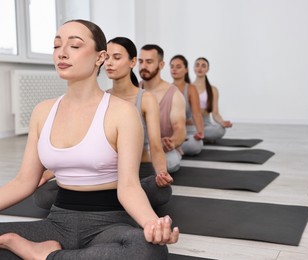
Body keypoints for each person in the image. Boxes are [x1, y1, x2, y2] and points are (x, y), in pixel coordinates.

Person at [0, 20, 178, 260]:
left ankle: (44, 256)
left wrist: (152, 225)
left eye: (74, 46)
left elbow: (129, 187)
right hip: (57, 221)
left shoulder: (122, 112)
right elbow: (24, 181)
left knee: (147, 250)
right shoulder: (43, 111)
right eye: (56, 45)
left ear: (99, 57)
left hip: (108, 224)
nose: (62, 52)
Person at [34, 37, 173, 210]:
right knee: (42, 196)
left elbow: (156, 146)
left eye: (116, 57)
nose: (109, 63)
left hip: (137, 173)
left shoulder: (146, 99)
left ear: (132, 62)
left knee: (161, 192)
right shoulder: (99, 99)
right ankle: (112, 203)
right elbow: (81, 148)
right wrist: (47, 174)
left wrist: (161, 172)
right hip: (99, 175)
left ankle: (114, 200)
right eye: (106, 58)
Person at [138, 44, 186, 173]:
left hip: (163, 151)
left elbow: (180, 129)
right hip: (136, 150)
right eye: (140, 61)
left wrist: (172, 142)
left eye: (149, 62)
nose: (143, 66)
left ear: (161, 65)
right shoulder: (133, 90)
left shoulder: (175, 94)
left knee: (168, 162)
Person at [170, 55, 204, 155]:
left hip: (187, 132)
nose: (174, 69)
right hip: (171, 133)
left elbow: (196, 114)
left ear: (186, 70)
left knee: (195, 145)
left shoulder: (191, 89)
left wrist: (200, 133)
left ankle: (173, 148)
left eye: (178, 67)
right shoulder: (166, 88)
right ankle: (172, 147)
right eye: (172, 66)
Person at [193, 57, 232, 143]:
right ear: (194, 68)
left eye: (203, 66)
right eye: (197, 65)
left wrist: (223, 122)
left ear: (207, 69)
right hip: (191, 123)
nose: (200, 68)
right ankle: (201, 137)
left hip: (206, 124)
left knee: (220, 130)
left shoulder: (213, 90)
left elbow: (215, 114)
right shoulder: (188, 87)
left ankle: (199, 136)